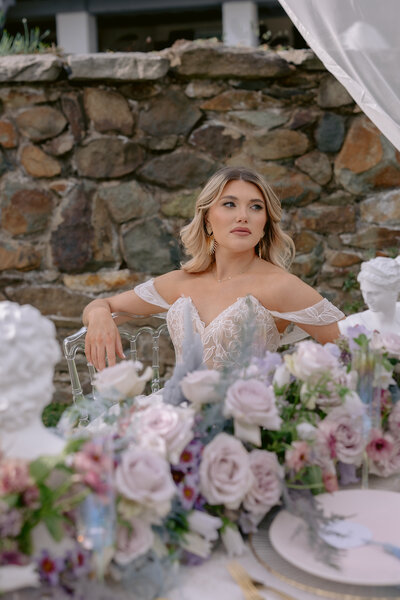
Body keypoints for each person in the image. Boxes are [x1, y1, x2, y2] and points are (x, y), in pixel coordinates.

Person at [83, 166, 344, 371]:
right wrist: (99, 317)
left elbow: (356, 347)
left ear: (265, 223)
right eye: (229, 204)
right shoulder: (180, 282)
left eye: (255, 207)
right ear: (207, 219)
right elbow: (102, 305)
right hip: (180, 414)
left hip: (245, 423)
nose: (243, 215)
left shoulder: (280, 285)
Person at [338, 256, 400, 335]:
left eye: (374, 293)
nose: (367, 300)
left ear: (394, 290)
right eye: (364, 292)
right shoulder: (350, 325)